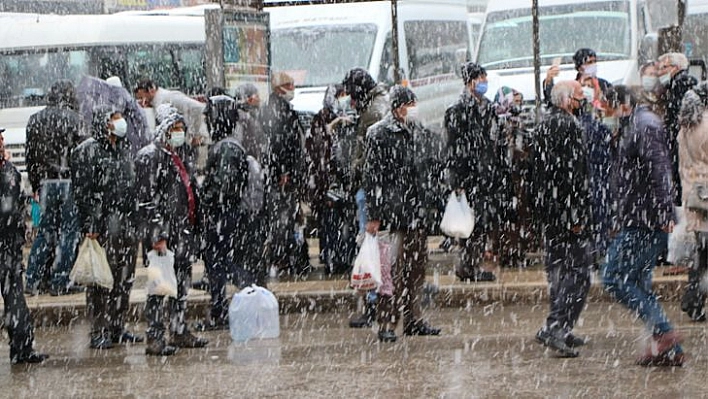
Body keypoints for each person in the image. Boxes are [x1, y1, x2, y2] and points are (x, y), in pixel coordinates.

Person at [602, 85, 685, 367]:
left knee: (615, 278)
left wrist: (664, 214)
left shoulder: (643, 125)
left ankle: (664, 333)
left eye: (607, 105)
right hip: (640, 216)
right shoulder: (633, 124)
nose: (604, 111)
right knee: (637, 281)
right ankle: (668, 349)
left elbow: (660, 170)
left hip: (645, 219)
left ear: (621, 104)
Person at [364, 85, 443, 342]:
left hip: (415, 212)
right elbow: (373, 177)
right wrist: (375, 215)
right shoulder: (379, 134)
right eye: (410, 105)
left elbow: (428, 167)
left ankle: (413, 318)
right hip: (393, 214)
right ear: (399, 107)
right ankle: (387, 322)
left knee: (416, 269)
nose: (413, 109)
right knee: (391, 272)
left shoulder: (418, 131)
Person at [135, 111, 208, 356]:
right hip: (163, 235)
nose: (179, 133)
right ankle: (155, 335)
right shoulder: (150, 156)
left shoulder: (180, 154)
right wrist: (157, 235)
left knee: (181, 283)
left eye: (181, 128)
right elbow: (146, 199)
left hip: (182, 230)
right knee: (159, 286)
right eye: (175, 128)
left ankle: (178, 329)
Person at [71, 106, 143, 349]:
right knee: (102, 280)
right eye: (115, 118)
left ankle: (117, 326)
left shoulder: (123, 148)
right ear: (104, 123)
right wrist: (91, 223)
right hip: (103, 226)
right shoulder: (89, 150)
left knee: (125, 278)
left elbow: (132, 186)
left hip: (126, 225)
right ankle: (99, 329)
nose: (120, 122)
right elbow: (83, 191)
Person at [532, 80, 592, 358]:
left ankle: (559, 327)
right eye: (579, 96)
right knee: (577, 273)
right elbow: (572, 175)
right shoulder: (567, 126)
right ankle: (557, 326)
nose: (583, 101)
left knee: (559, 271)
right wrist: (575, 214)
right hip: (566, 213)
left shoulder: (545, 123)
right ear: (567, 100)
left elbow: (542, 174)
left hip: (551, 211)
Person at [200, 94, 266, 331]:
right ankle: (234, 305)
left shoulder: (227, 147)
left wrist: (205, 197)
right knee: (224, 264)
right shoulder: (228, 144)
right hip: (226, 214)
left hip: (223, 216)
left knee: (222, 265)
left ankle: (230, 306)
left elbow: (224, 186)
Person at [25, 80, 86, 296]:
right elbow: (82, 155)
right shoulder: (75, 119)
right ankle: (59, 281)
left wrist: (35, 184)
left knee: (45, 232)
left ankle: (32, 279)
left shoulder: (35, 119)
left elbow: (30, 156)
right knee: (69, 234)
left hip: (45, 183)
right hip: (69, 182)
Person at [445, 62, 502, 281]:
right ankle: (467, 266)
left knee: (482, 221)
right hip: (468, 175)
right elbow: (452, 147)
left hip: (485, 174)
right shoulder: (458, 110)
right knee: (469, 224)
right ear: (470, 82)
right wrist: (457, 179)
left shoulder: (487, 107)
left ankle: (473, 263)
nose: (484, 83)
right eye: (481, 79)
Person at [341, 68, 389, 328]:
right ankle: (379, 301)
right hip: (377, 189)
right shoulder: (379, 104)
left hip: (370, 189)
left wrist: (355, 171)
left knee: (371, 248)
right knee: (377, 248)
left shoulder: (372, 113)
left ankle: (373, 302)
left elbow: (369, 160)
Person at [0, 127, 49, 364]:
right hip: (6, 242)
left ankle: (22, 346)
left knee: (16, 299)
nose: (2, 143)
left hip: (9, 246)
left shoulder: (10, 170)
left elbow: (16, 205)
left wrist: (22, 228)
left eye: (1, 139)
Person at [260, 72, 309, 277]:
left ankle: (284, 257)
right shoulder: (278, 111)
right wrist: (284, 171)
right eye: (289, 85)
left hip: (280, 173)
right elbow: (279, 144)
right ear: (280, 88)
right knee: (282, 219)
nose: (292, 89)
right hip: (281, 175)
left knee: (285, 218)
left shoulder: (277, 109)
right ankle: (282, 259)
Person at [307, 85, 357, 275]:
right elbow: (319, 153)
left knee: (342, 224)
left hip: (341, 183)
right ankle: (333, 259)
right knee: (331, 223)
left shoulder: (349, 118)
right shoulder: (322, 121)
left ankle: (342, 257)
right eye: (340, 95)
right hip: (328, 184)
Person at [678, 82, 708, 322]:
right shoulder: (706, 126)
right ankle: (693, 298)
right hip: (706, 194)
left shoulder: (686, 127)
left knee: (701, 253)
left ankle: (694, 299)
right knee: (704, 256)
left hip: (693, 196)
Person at [658, 52, 697, 206]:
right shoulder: (676, 82)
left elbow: (676, 111)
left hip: (679, 135)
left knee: (680, 170)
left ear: (675, 67)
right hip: (677, 134)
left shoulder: (681, 82)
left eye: (664, 67)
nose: (661, 72)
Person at [133, 78, 209, 148]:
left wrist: (195, 135)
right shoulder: (155, 104)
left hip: (184, 144)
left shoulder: (169, 97)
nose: (142, 102)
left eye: (142, 98)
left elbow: (197, 108)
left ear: (151, 90)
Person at [543, 48, 612, 106]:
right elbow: (554, 101)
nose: (593, 65)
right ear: (580, 67)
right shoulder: (572, 86)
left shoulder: (604, 84)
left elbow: (613, 102)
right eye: (589, 62)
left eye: (595, 61)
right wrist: (549, 80)